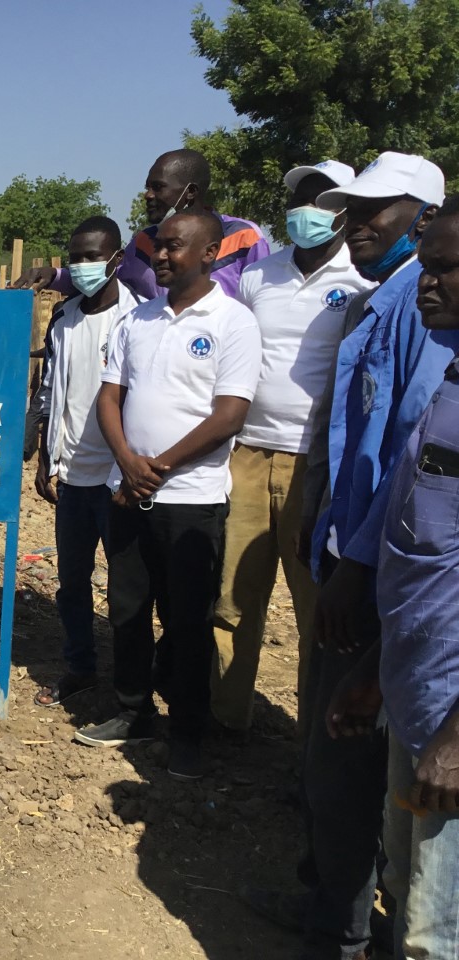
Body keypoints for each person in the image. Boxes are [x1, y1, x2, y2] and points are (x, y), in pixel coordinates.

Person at [245, 152, 450, 960]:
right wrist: (321, 513)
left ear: (423, 215)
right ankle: (336, 900)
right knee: (338, 750)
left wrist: (357, 562)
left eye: (377, 210)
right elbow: (354, 431)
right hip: (350, 546)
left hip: (384, 573)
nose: (354, 224)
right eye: (349, 210)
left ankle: (340, 926)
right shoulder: (381, 297)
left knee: (346, 757)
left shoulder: (421, 306)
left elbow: (411, 453)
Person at [73, 209, 262, 782]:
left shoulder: (233, 323)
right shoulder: (138, 320)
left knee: (187, 620)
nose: (160, 255)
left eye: (175, 247)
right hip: (127, 492)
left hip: (192, 497)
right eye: (158, 245)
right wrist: (128, 463)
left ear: (210, 253)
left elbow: (230, 413)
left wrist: (160, 466)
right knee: (128, 610)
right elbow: (110, 397)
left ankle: (187, 732)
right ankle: (133, 712)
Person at [325, 196, 459, 960]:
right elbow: (426, 559)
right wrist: (377, 669)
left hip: (451, 724)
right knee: (408, 899)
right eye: (426, 265)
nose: (426, 283)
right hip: (417, 698)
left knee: (436, 937)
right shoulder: (450, 384)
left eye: (443, 269)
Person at [210, 161, 374, 737]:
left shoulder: (362, 281)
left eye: (321, 201)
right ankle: (227, 721)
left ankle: (312, 744)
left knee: (314, 611)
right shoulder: (261, 276)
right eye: (299, 200)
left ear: (346, 212)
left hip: (318, 464)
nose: (306, 212)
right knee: (234, 600)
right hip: (249, 454)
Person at [31, 215, 146, 707]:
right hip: (72, 474)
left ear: (117, 259)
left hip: (117, 477)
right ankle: (80, 667)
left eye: (92, 257)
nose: (81, 266)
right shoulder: (64, 317)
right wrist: (44, 456)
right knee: (71, 582)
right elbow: (53, 387)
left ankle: (131, 685)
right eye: (74, 256)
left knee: (127, 591)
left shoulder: (141, 318)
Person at [14, 149, 270, 301]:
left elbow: (263, 306)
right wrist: (55, 276)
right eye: (147, 187)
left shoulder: (243, 237)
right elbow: (103, 281)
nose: (147, 195)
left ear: (190, 192)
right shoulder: (144, 243)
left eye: (157, 187)